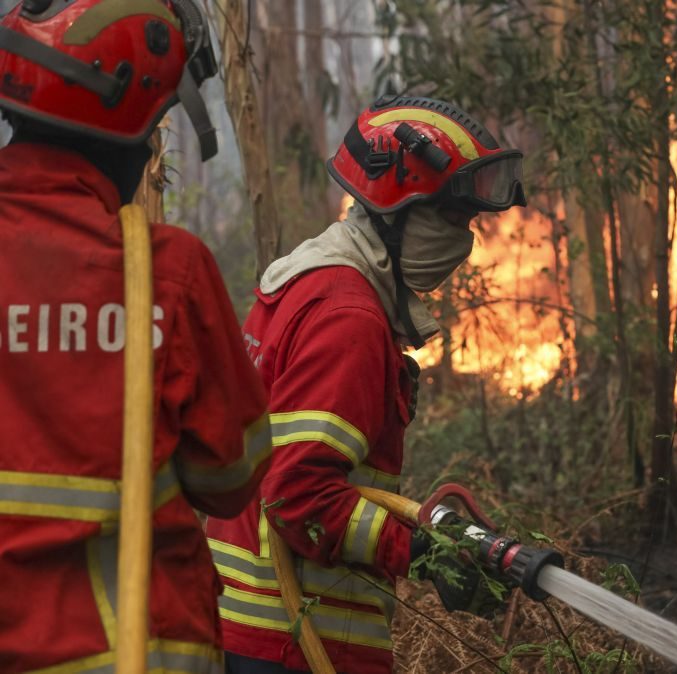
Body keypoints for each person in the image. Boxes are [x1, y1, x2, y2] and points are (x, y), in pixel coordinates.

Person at [205, 95, 527, 673]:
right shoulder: (348, 316)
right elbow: (295, 493)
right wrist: (423, 555)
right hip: (296, 641)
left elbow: (304, 472)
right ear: (395, 211)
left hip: (249, 632)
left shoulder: (306, 281)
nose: (463, 239)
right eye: (451, 219)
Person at [0, 1, 271, 672]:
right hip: (133, 650)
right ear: (132, 126)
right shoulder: (165, 273)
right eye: (157, 127)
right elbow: (230, 478)